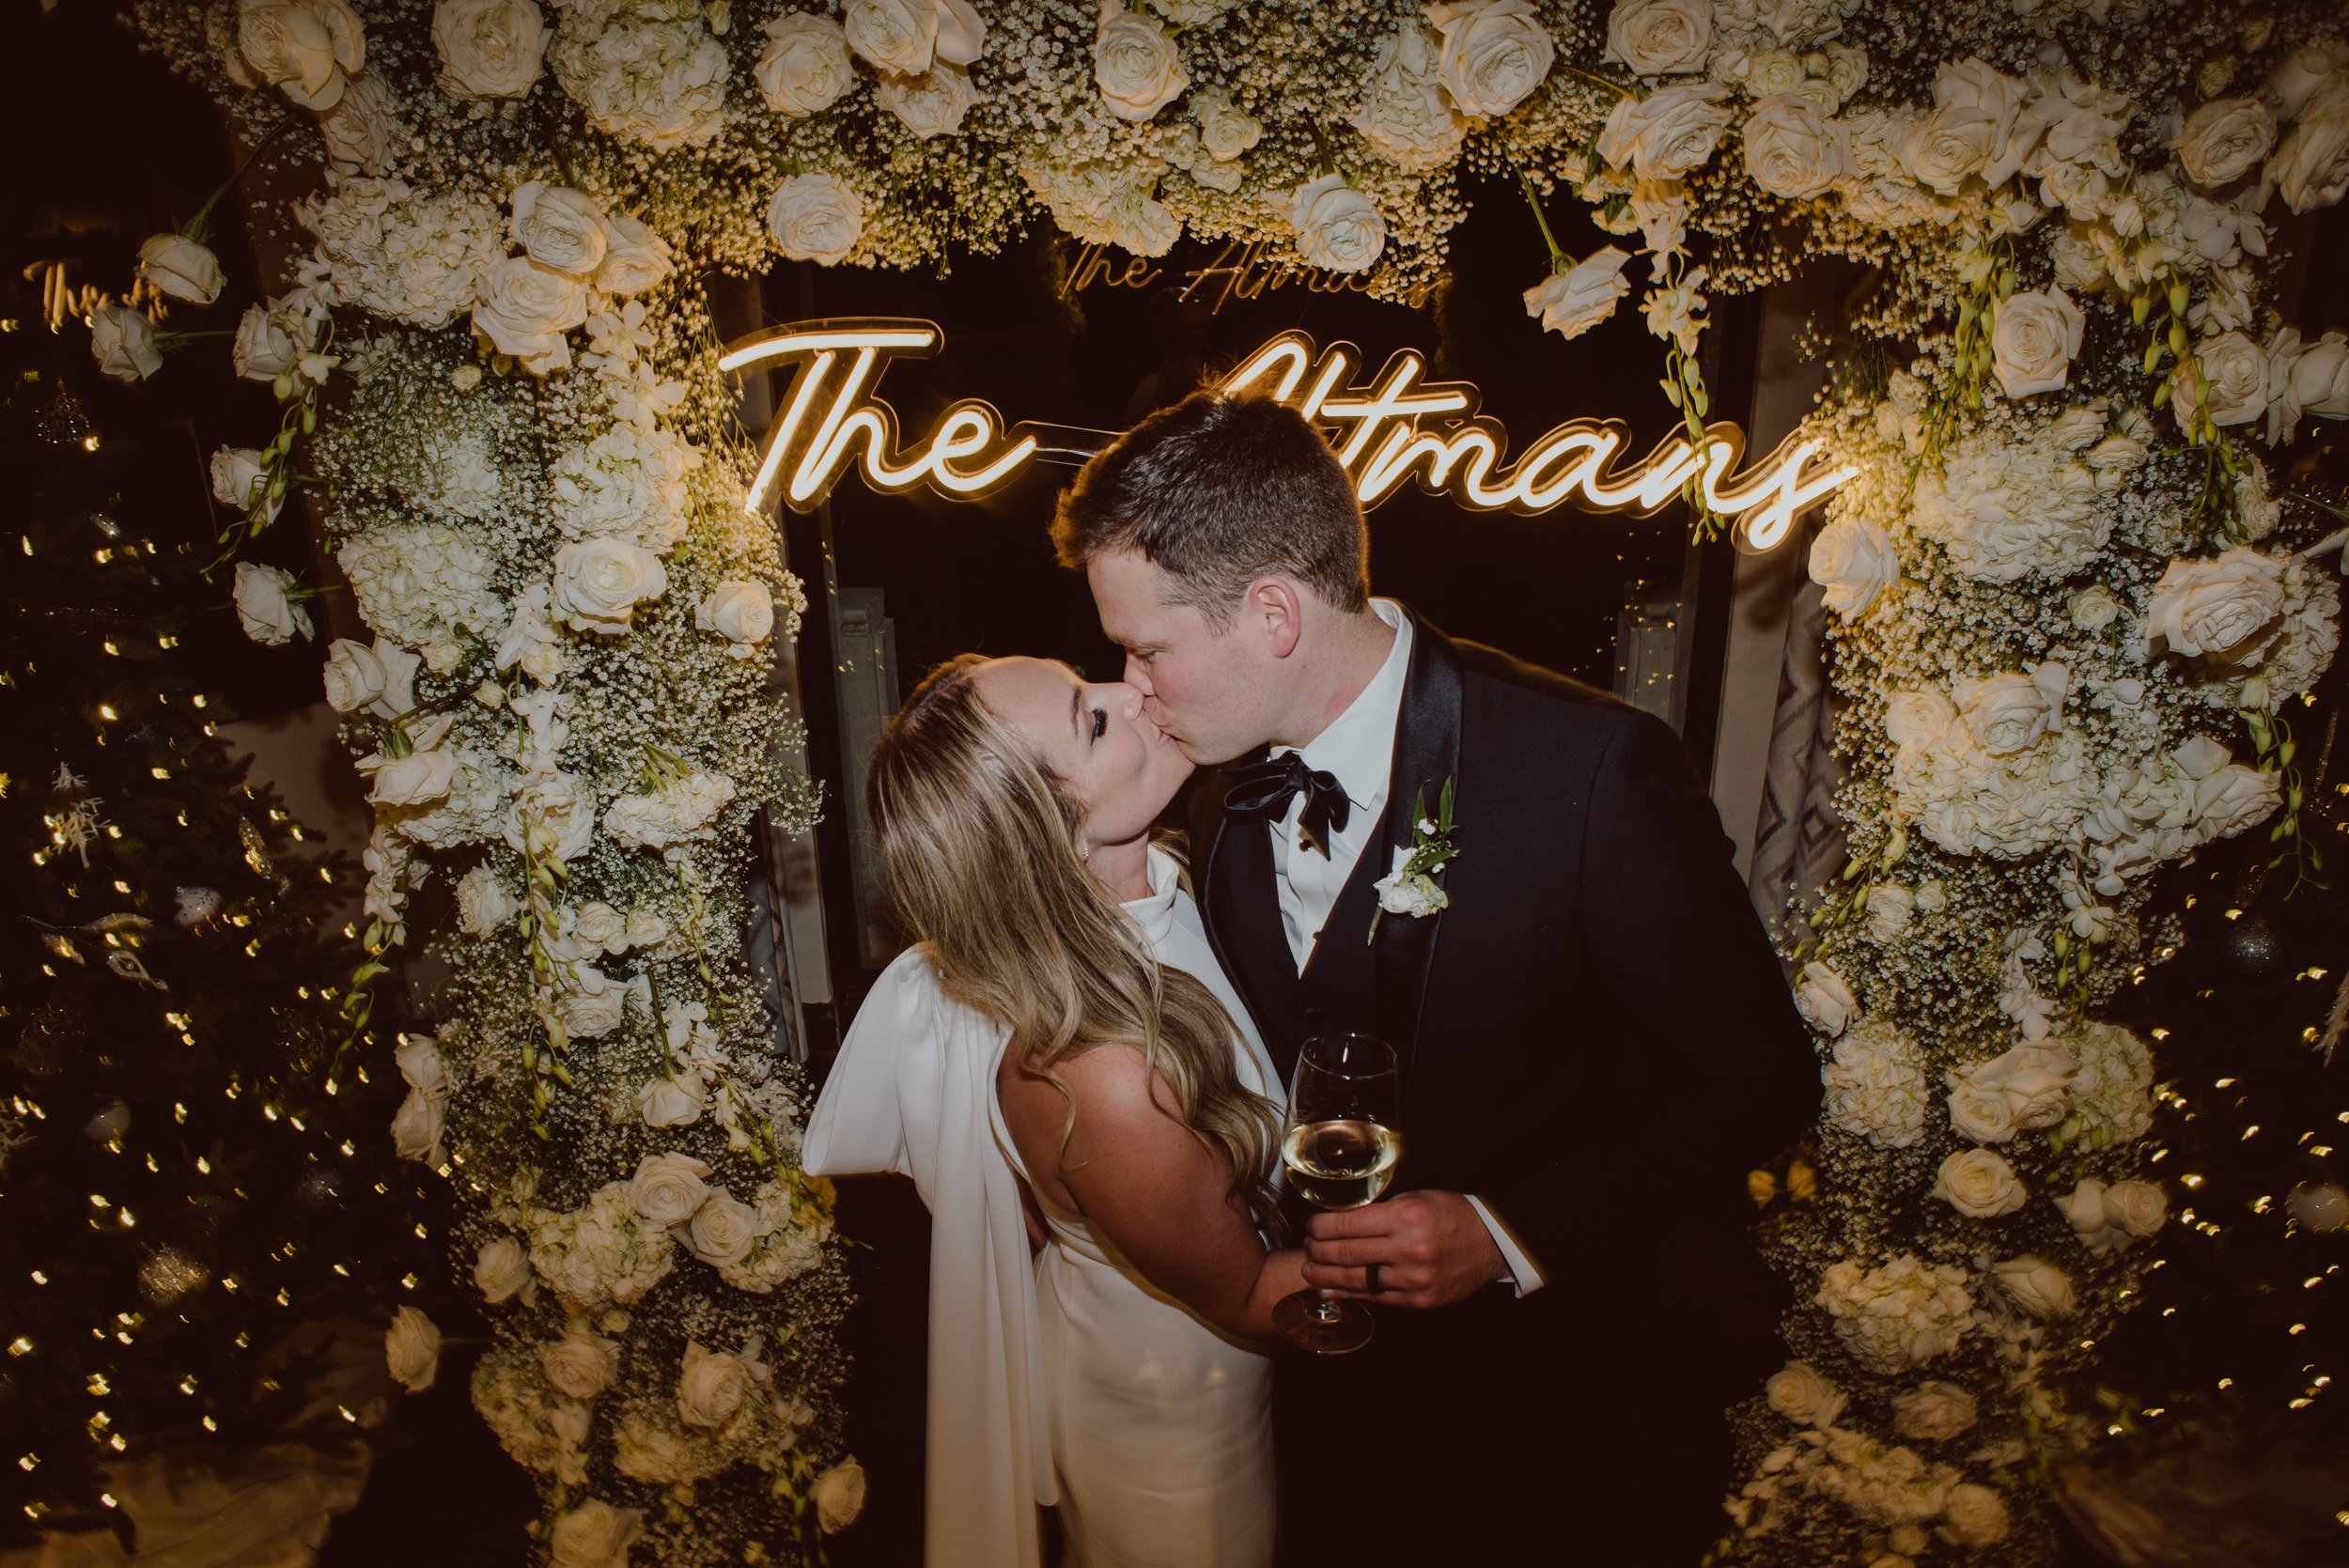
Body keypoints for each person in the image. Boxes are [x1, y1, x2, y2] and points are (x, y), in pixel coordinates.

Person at [1050, 390, 1822, 1561]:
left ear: (1271, 612)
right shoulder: (1207, 778)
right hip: (1324, 1396)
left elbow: (1756, 1080)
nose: (1133, 682)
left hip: (1561, 1401)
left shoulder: (1591, 771)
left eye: (1146, 646)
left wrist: (1507, 1229)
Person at [803, 651, 1309, 1568]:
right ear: (1052, 839)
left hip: (1116, 1334)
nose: (1135, 689)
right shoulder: (1105, 1074)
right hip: (1177, 1416)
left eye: (1092, 681)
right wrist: (1457, 1255)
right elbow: (1249, 1296)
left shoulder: (1154, 874)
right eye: (1093, 719)